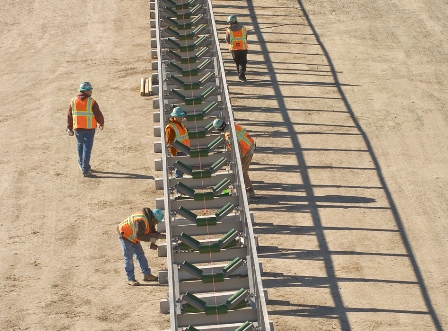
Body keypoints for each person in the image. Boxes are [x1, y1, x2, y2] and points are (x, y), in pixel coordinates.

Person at [117, 207, 166, 286]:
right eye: (156, 222)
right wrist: (150, 239)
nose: (156, 224)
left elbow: (150, 231)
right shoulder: (141, 220)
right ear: (153, 219)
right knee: (129, 258)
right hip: (125, 235)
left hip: (133, 237)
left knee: (140, 255)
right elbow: (139, 235)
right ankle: (130, 278)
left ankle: (147, 275)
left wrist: (159, 235)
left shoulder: (149, 219)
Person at [66, 82, 104, 177]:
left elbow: (69, 115)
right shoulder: (92, 102)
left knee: (80, 145)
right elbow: (98, 114)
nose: (91, 92)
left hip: (77, 129)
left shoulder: (73, 101)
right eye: (90, 90)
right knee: (87, 148)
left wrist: (69, 127)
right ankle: (85, 169)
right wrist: (101, 123)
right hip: (89, 129)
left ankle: (81, 163)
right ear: (86, 91)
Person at [213, 119, 256, 198]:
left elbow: (237, 149)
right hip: (250, 145)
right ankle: (248, 191)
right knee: (243, 171)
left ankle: (250, 193)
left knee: (243, 171)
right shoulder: (233, 125)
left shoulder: (228, 135)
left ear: (219, 129)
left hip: (246, 151)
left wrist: (237, 161)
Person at [165, 107, 190, 178]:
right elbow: (170, 142)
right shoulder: (170, 128)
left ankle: (178, 185)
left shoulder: (180, 124)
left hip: (184, 150)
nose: (181, 118)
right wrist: (173, 154)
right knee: (179, 170)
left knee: (181, 170)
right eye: (179, 116)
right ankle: (178, 186)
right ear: (174, 116)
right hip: (177, 151)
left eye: (181, 116)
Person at [225, 15, 248, 81]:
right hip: (243, 48)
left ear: (231, 22)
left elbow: (227, 40)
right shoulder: (243, 28)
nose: (229, 23)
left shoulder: (229, 30)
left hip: (234, 49)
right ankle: (241, 75)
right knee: (242, 62)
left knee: (237, 62)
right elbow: (245, 37)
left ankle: (240, 74)